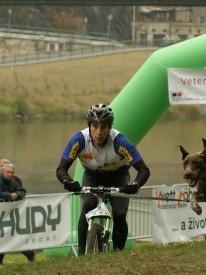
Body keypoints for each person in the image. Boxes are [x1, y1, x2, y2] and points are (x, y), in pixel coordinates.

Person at [56, 103, 150, 255]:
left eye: (103, 127)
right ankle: (81, 254)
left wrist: (135, 185)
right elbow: (61, 169)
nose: (99, 132)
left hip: (119, 175)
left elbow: (144, 170)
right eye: (95, 126)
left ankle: (118, 253)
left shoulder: (120, 142)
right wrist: (67, 181)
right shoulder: (79, 140)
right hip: (92, 175)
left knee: (119, 213)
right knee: (87, 207)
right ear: (89, 126)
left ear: (109, 127)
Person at [0, 163, 35, 265]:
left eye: (12, 172)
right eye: (8, 172)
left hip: (8, 213)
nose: (10, 174)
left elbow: (22, 191)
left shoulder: (12, 182)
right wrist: (10, 195)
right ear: (3, 172)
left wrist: (17, 194)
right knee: (5, 237)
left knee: (6, 237)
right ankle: (30, 255)